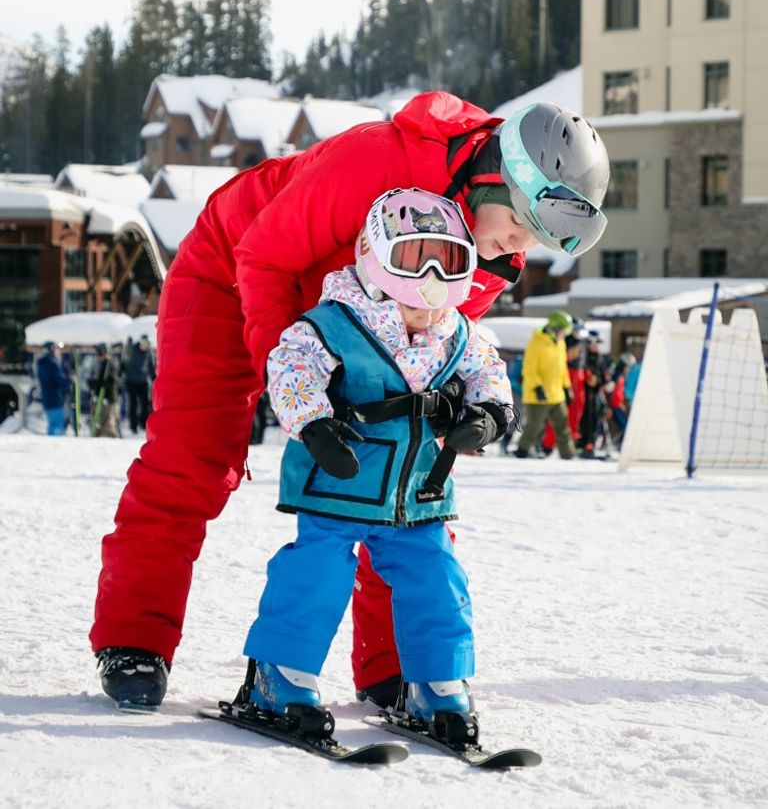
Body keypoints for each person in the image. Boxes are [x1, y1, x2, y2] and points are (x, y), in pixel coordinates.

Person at [90, 92, 610, 709]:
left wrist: (454, 404)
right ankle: (134, 639)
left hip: (337, 319)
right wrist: (295, 390)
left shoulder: (489, 259)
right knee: (194, 456)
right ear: (494, 180)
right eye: (520, 227)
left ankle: (394, 666)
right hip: (232, 277)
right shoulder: (379, 159)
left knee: (398, 475)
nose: (517, 248)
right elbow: (263, 256)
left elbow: (434, 346)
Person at [228, 189, 513, 733]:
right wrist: (313, 423)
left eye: (442, 281)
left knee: (437, 577)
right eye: (412, 287)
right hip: (341, 479)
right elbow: (290, 368)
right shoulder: (333, 324)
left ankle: (437, 682)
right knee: (317, 570)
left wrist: (490, 415)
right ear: (374, 261)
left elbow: (489, 374)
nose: (426, 311)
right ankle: (280, 675)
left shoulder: (457, 332)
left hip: (416, 493)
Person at [513, 311, 577, 460]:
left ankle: (568, 455)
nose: (564, 335)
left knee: (563, 426)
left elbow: (562, 368)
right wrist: (537, 387)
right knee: (534, 427)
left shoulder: (560, 343)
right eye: (562, 331)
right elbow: (529, 369)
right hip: (538, 394)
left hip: (556, 394)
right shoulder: (536, 343)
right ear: (554, 329)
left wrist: (567, 388)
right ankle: (522, 452)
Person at [123, 335, 155, 434]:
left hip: (143, 381)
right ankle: (133, 426)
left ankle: (143, 424)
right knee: (133, 404)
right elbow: (124, 363)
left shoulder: (149, 352)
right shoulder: (131, 349)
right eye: (144, 345)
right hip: (131, 381)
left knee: (145, 404)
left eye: (147, 345)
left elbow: (151, 366)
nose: (145, 347)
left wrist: (154, 377)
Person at [36, 341, 69, 436]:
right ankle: (57, 447)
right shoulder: (52, 365)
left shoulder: (41, 365)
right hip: (55, 399)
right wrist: (69, 381)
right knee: (58, 424)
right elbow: (59, 380)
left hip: (47, 398)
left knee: (52, 425)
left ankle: (50, 445)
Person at [89, 344, 120, 438]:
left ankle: (109, 438)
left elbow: (112, 381)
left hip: (108, 397)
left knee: (108, 421)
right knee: (96, 419)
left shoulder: (111, 364)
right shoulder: (98, 364)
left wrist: (99, 383)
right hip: (98, 396)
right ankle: (96, 435)